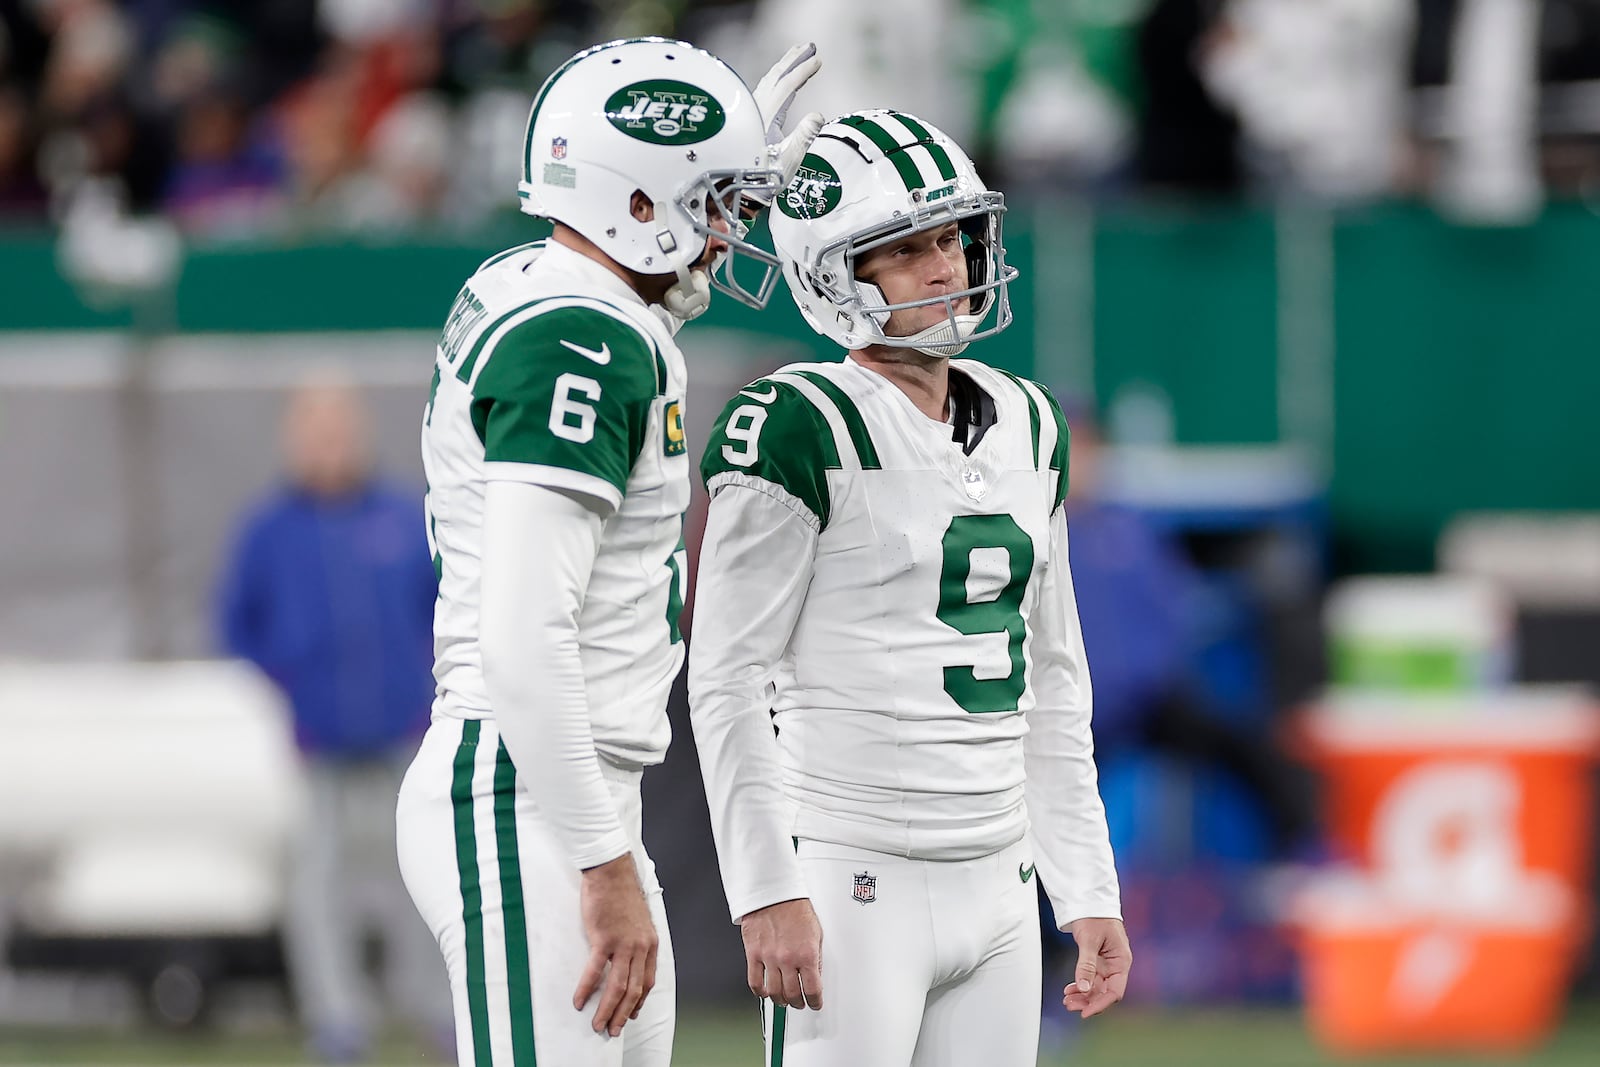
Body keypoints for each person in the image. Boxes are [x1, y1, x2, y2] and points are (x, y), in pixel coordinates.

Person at [394, 37, 821, 1067]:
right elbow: (522, 637)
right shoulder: (582, 339)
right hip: (526, 785)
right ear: (636, 204)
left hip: (570, 793)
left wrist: (719, 144)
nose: (732, 232)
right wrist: (602, 859)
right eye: (716, 201)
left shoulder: (565, 289)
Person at [688, 109, 1131, 1067]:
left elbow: (1052, 681)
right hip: (854, 874)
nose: (945, 267)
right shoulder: (802, 424)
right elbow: (725, 676)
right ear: (833, 276)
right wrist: (765, 885)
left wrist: (1087, 884)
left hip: (1001, 880)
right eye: (906, 250)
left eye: (953, 237)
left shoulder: (1031, 423)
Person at [217, 375, 448, 1063]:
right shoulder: (268, 530)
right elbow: (236, 626)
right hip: (314, 745)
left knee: (420, 881)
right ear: (294, 440)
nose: (329, 444)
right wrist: (288, 686)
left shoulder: (404, 518)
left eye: (339, 429)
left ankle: (437, 1011)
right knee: (318, 885)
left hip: (404, 739)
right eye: (316, 431)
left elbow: (442, 610)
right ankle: (338, 1020)